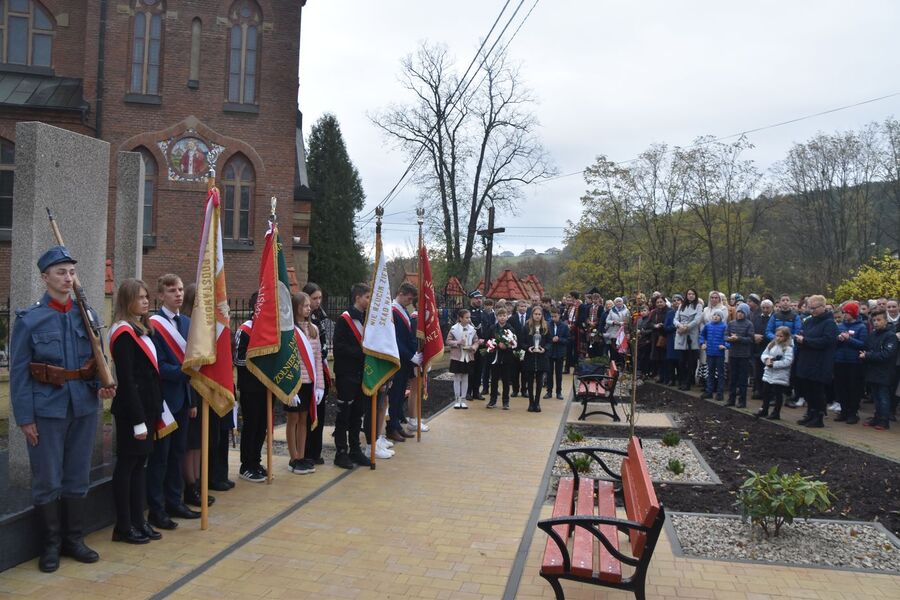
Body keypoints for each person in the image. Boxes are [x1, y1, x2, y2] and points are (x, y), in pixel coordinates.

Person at [10, 246, 114, 572]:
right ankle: (51, 545)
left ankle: (74, 539)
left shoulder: (88, 314)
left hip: (83, 406)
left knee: (77, 476)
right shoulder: (30, 320)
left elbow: (97, 358)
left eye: (71, 272)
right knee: (47, 479)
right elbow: (18, 374)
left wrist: (103, 381)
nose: (68, 278)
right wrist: (25, 419)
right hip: (47, 410)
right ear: (45, 277)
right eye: (60, 272)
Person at [109, 279, 162, 545]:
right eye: (140, 297)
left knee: (141, 466)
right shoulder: (123, 333)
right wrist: (139, 420)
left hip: (147, 407)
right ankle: (123, 526)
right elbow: (127, 380)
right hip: (132, 411)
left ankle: (139, 521)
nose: (145, 301)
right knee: (127, 465)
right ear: (127, 299)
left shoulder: (142, 328)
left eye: (146, 296)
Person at [147, 274, 201, 531]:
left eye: (180, 289)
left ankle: (175, 501)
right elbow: (158, 366)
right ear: (161, 295)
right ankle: (157, 510)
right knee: (161, 457)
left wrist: (191, 401)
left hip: (182, 400)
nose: (178, 294)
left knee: (178, 453)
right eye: (171, 290)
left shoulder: (188, 322)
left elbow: (191, 361)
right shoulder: (154, 325)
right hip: (163, 402)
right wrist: (185, 371)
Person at [181, 283, 234, 493]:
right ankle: (196, 483)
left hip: (214, 388)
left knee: (214, 437)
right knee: (196, 441)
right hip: (196, 390)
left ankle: (210, 477)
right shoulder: (188, 327)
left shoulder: (216, 327)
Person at [332, 283, 373, 469]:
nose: (369, 300)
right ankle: (341, 452)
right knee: (344, 415)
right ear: (357, 298)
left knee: (358, 414)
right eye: (366, 297)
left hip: (361, 374)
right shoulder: (344, 319)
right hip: (346, 374)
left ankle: (355, 450)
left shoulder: (367, 319)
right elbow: (339, 347)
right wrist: (361, 351)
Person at [286, 292, 327, 473]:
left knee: (304, 419)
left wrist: (320, 386)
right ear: (296, 308)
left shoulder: (314, 330)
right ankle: (293, 458)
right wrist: (288, 389)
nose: (308, 308)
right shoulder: (288, 331)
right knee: (293, 419)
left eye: (309, 306)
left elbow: (318, 358)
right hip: (295, 383)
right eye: (304, 306)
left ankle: (302, 456)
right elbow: (286, 360)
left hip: (310, 381)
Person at [234, 293, 269, 482]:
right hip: (250, 387)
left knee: (263, 426)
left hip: (267, 387)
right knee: (251, 426)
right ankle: (245, 464)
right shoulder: (244, 329)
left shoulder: (270, 330)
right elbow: (238, 359)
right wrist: (259, 360)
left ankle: (256, 461)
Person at [794, 295, 839, 428]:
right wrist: (800, 339)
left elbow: (827, 341)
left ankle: (819, 416)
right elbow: (804, 334)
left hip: (820, 362)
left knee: (817, 391)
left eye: (814, 308)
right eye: (810, 308)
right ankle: (810, 413)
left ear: (823, 307)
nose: (811, 310)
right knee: (808, 390)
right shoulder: (809, 321)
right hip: (806, 360)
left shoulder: (830, 323)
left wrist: (805, 341)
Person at [387, 283, 422, 442]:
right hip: (398, 359)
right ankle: (391, 427)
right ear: (401, 293)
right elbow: (396, 340)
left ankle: (397, 425)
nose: (410, 301)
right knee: (394, 395)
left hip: (406, 360)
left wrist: (415, 353)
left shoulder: (403, 311)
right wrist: (410, 355)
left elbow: (410, 336)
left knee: (400, 394)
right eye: (409, 298)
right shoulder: (392, 311)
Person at [303, 282, 332, 465]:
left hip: (320, 368)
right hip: (308, 371)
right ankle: (306, 452)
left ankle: (316, 451)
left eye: (320, 298)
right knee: (307, 415)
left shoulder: (320, 316)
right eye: (314, 299)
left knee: (320, 412)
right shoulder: (303, 320)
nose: (317, 302)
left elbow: (323, 341)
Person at [860, 309, 899, 430]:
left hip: (885, 372)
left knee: (883, 396)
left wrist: (868, 356)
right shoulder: (872, 335)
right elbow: (866, 349)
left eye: (879, 320)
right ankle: (877, 417)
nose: (876, 323)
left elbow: (886, 355)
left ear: (885, 321)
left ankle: (884, 420)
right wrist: (865, 355)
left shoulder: (890, 336)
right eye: (874, 320)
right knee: (876, 397)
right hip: (872, 370)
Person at [833, 301, 867, 425]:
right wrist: (838, 339)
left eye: (847, 312)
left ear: (853, 313)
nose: (845, 315)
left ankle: (853, 412)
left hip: (854, 362)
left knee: (853, 388)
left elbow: (863, 344)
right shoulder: (840, 326)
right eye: (844, 312)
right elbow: (834, 343)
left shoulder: (861, 327)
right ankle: (843, 411)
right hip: (840, 361)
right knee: (841, 387)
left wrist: (849, 339)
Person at [756, 326, 794, 420]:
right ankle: (764, 409)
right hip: (769, 373)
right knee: (766, 392)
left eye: (781, 336)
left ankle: (776, 413)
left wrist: (774, 364)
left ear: (786, 337)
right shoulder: (771, 344)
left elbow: (788, 361)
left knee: (778, 394)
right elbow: (764, 354)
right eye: (777, 335)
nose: (778, 338)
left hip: (780, 374)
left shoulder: (788, 348)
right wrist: (766, 360)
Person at [485, 307, 518, 408]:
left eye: (504, 316)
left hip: (506, 358)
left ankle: (505, 401)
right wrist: (493, 345)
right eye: (500, 316)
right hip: (495, 358)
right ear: (497, 317)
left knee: (506, 380)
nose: (502, 318)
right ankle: (493, 400)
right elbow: (488, 340)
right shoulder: (492, 328)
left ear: (507, 317)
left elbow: (514, 343)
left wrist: (506, 345)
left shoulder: (510, 328)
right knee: (494, 380)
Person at [446, 308, 479, 409]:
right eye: (466, 317)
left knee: (465, 378)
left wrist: (473, 347)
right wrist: (457, 342)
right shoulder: (454, 328)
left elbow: (476, 341)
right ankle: (457, 400)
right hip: (457, 357)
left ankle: (463, 399)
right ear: (460, 318)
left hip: (468, 356)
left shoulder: (472, 329)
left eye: (469, 317)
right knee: (457, 378)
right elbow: (448, 341)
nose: (469, 319)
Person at [725, 303, 755, 408]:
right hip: (733, 354)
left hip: (744, 355)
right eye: (738, 312)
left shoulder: (749, 324)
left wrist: (739, 338)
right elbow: (725, 335)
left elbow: (750, 339)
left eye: (742, 312)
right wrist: (729, 339)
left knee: (742, 379)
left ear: (746, 313)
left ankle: (742, 401)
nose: (740, 314)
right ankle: (731, 399)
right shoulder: (731, 323)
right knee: (732, 378)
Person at [522, 306, 551, 412]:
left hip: (541, 357)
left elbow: (549, 341)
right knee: (529, 381)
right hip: (530, 357)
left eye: (539, 314)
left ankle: (537, 403)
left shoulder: (546, 326)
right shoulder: (526, 326)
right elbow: (522, 342)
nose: (537, 316)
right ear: (532, 315)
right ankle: (531, 402)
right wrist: (527, 348)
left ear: (542, 315)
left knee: (539, 381)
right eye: (535, 314)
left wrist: (544, 349)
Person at [674, 289, 703, 391]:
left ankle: (688, 382)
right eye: (689, 294)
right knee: (681, 361)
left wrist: (687, 327)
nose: (691, 296)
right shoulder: (681, 306)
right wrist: (679, 326)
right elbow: (675, 319)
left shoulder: (698, 306)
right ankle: (682, 381)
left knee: (690, 361)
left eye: (693, 294)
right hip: (681, 334)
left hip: (691, 335)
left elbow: (697, 319)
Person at [699, 312, 727, 401]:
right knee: (710, 372)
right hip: (710, 352)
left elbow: (728, 338)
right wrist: (702, 343)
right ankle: (709, 391)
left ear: (721, 317)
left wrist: (725, 345)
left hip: (719, 353)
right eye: (714, 315)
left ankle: (720, 393)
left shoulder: (724, 326)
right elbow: (702, 335)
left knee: (720, 374)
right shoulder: (708, 325)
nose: (716, 317)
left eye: (718, 315)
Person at [749, 296, 773, 399]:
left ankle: (769, 394)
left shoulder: (774, 318)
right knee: (758, 371)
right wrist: (754, 336)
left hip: (769, 348)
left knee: (768, 371)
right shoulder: (756, 317)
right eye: (764, 308)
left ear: (771, 308)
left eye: (768, 308)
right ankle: (759, 391)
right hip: (757, 348)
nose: (766, 310)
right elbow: (751, 329)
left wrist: (762, 338)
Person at [544, 308, 569, 399]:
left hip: (559, 352)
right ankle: (549, 391)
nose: (553, 318)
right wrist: (551, 340)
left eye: (555, 316)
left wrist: (559, 339)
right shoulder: (547, 325)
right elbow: (545, 338)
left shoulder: (564, 326)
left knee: (559, 373)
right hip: (550, 352)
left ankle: (559, 392)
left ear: (559, 315)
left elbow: (568, 339)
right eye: (552, 316)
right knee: (549, 373)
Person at [466, 290, 486, 400]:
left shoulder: (483, 313)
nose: (479, 300)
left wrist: (485, 339)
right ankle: (468, 391)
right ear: (471, 299)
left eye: (480, 298)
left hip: (482, 346)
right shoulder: (467, 313)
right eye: (476, 298)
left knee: (479, 369)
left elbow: (487, 328)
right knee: (470, 369)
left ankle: (476, 391)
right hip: (471, 346)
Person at [510, 300, 530, 397]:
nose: (522, 308)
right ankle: (515, 389)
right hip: (515, 348)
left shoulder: (530, 318)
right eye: (521, 306)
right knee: (514, 370)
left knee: (525, 370)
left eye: (524, 306)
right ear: (517, 307)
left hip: (526, 348)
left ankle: (524, 390)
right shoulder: (512, 319)